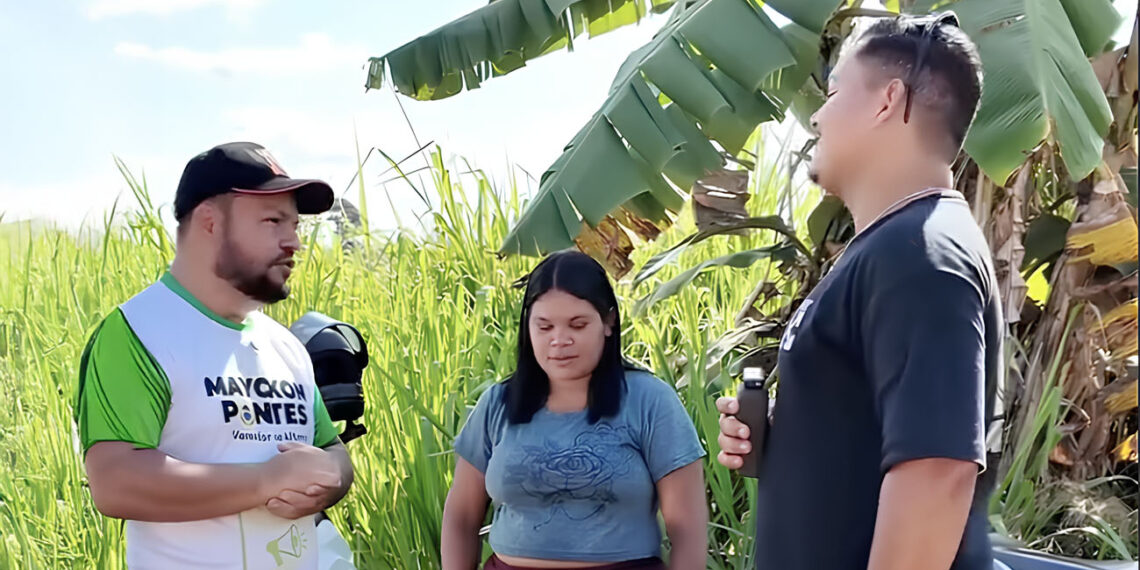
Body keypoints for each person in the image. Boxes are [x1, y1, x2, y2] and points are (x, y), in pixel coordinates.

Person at [716, 12, 1004, 570]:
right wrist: (792, 434)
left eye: (833, 94)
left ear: (886, 101)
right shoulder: (893, 248)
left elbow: (936, 472)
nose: (818, 115)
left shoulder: (921, 255)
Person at [74, 142, 355, 569]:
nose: (294, 242)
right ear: (210, 222)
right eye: (273, 221)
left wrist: (333, 477)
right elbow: (116, 482)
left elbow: (330, 449)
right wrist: (265, 481)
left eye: (295, 225)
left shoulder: (286, 348)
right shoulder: (139, 332)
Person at [441, 251, 708, 570]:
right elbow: (461, 516)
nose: (559, 340)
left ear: (608, 321)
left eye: (577, 325)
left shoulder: (650, 401)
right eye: (544, 327)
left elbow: (688, 529)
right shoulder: (498, 404)